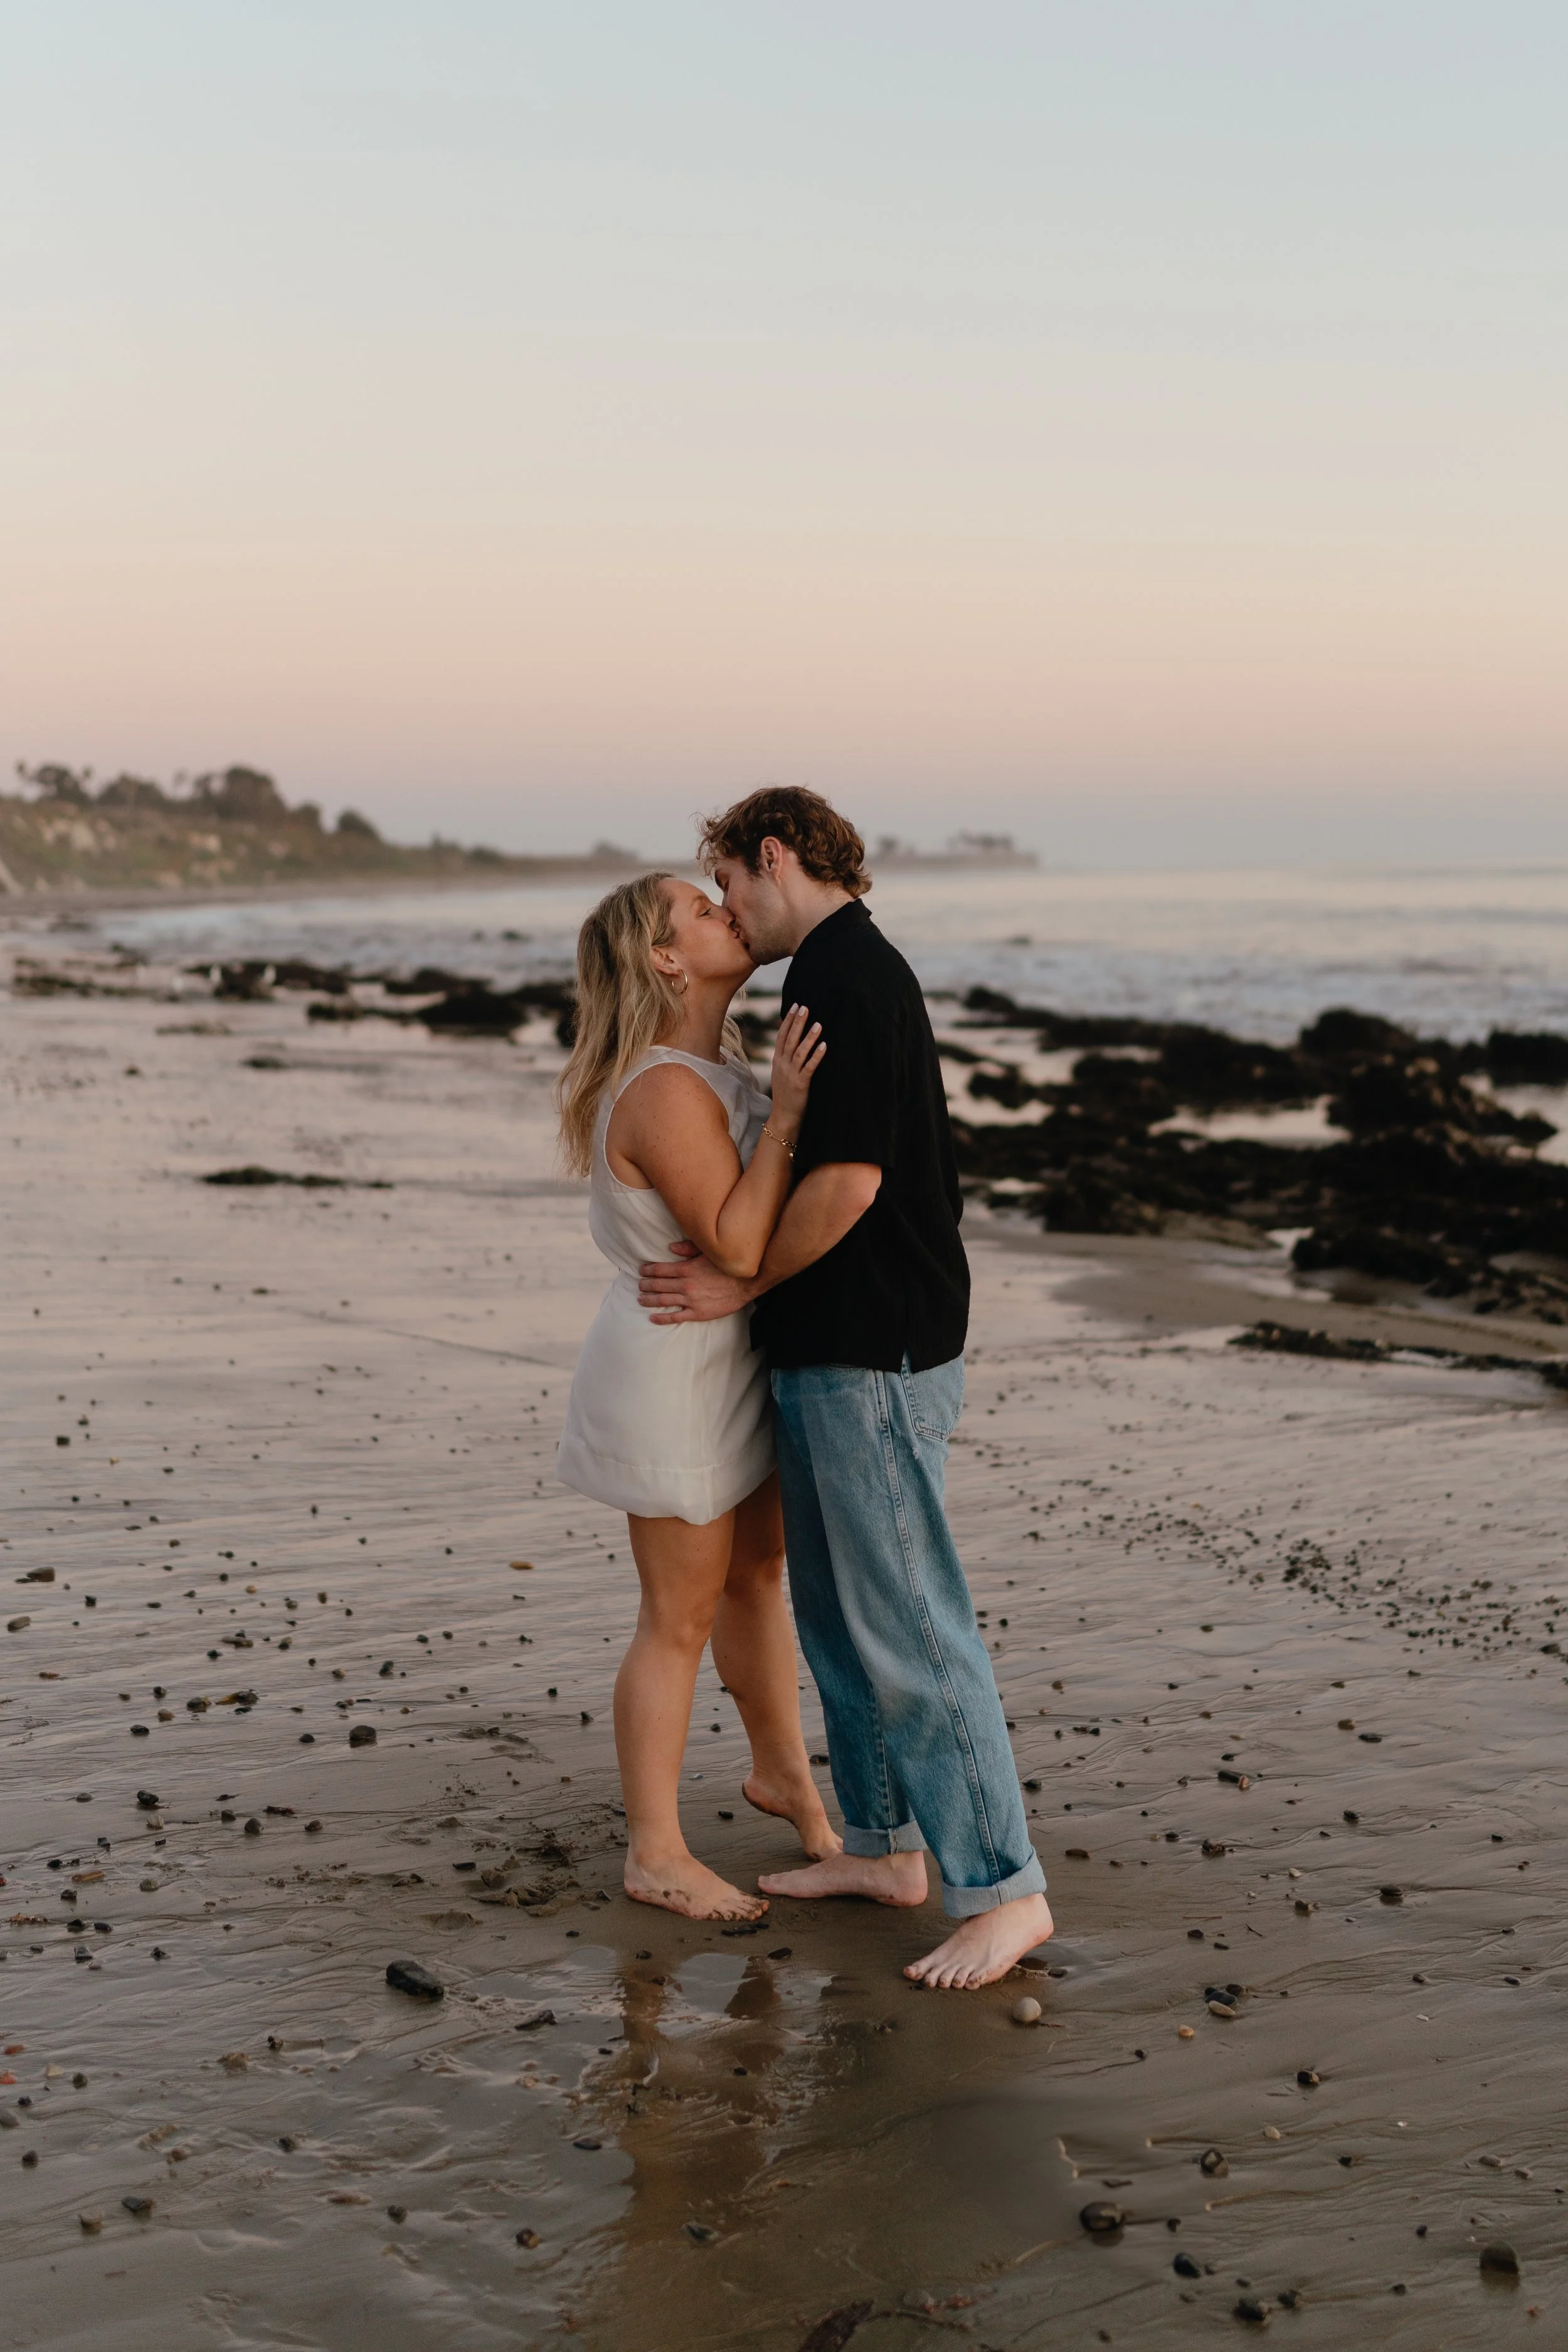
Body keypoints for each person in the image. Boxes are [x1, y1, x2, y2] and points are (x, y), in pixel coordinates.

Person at [638, 790, 1054, 1989]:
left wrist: (739, 1281)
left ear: (774, 856)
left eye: (728, 882)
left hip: (879, 1346)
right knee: (835, 1615)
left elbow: (852, 1185)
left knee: (912, 1622)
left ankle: (1006, 1890)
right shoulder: (825, 971)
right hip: (831, 1345)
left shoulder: (845, 975)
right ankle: (883, 1846)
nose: (727, 909)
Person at [555, 870, 840, 1921]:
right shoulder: (666, 1088)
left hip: (730, 1356)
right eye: (702, 910)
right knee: (675, 1615)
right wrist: (792, 1111)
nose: (729, 911)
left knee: (757, 1576)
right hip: (674, 1369)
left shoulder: (710, 1066)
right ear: (666, 958)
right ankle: (657, 1852)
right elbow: (735, 1239)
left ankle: (788, 1780)